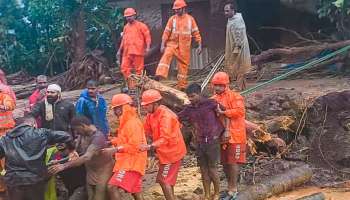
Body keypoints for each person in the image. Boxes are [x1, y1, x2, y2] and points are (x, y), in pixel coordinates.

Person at [0, 115, 72, 200]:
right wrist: (68, 149)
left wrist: (3, 175)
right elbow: (66, 136)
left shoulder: (5, 139)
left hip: (13, 181)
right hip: (35, 179)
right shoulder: (41, 133)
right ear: (33, 124)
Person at [178, 83, 226, 200]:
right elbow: (178, 117)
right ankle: (207, 194)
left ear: (199, 94)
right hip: (199, 142)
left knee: (212, 168)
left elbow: (225, 114)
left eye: (193, 96)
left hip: (212, 141)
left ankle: (217, 193)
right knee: (203, 169)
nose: (190, 99)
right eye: (189, 97)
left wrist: (225, 131)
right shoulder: (189, 108)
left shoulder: (211, 103)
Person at [49, 116, 114, 200]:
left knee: (99, 196)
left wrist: (63, 166)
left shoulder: (98, 137)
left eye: (77, 129)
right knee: (90, 196)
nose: (76, 132)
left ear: (83, 126)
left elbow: (87, 156)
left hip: (103, 170)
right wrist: (59, 161)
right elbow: (77, 152)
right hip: (90, 170)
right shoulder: (82, 135)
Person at [139, 89, 187, 200]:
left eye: (147, 105)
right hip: (165, 152)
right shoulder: (151, 115)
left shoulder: (166, 116)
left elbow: (165, 138)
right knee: (167, 181)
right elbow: (145, 130)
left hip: (172, 153)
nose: (144, 107)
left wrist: (150, 146)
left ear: (155, 104)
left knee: (163, 180)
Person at [211, 72, 247, 199]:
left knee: (233, 163)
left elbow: (239, 111)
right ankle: (229, 187)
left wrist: (224, 111)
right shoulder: (213, 99)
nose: (217, 88)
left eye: (220, 85)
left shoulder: (235, 96)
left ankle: (233, 189)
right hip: (221, 136)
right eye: (216, 85)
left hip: (235, 135)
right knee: (225, 163)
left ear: (226, 85)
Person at [106, 94, 147, 200]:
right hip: (130, 161)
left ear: (121, 108)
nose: (114, 112)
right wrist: (112, 141)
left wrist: (115, 149)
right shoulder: (126, 122)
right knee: (136, 191)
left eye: (115, 109)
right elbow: (125, 141)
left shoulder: (132, 123)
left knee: (112, 187)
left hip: (131, 163)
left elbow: (134, 146)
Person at [155, 0, 202, 90]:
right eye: (175, 9)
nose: (176, 11)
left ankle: (182, 86)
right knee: (167, 55)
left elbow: (196, 33)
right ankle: (159, 75)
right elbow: (166, 33)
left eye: (178, 9)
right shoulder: (172, 19)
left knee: (183, 67)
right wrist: (162, 45)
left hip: (184, 48)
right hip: (172, 44)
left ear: (184, 8)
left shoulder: (190, 19)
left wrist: (199, 45)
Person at [117, 8, 151, 84]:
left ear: (134, 16)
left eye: (130, 16)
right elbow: (123, 40)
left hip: (138, 51)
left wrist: (148, 47)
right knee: (124, 68)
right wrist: (119, 50)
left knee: (139, 70)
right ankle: (131, 84)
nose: (128, 18)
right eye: (127, 17)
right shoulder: (126, 27)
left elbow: (147, 37)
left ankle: (138, 86)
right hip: (127, 52)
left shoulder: (142, 26)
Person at [223, 2, 252, 91]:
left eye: (227, 11)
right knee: (238, 66)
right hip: (233, 46)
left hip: (239, 48)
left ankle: (239, 87)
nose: (225, 13)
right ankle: (243, 86)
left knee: (240, 66)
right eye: (224, 11)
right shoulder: (231, 19)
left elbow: (239, 37)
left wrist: (236, 49)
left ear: (233, 10)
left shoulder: (237, 20)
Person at [0, 89, 16, 192]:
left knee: (6, 158)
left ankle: (9, 185)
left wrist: (3, 106)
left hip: (5, 132)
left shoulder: (4, 96)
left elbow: (10, 105)